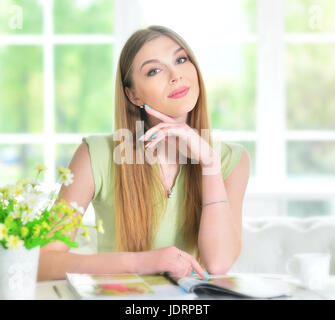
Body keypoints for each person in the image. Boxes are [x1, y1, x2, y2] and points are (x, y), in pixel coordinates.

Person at [38, 25, 250, 281]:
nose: (176, 75)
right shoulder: (96, 155)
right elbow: (43, 261)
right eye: (154, 70)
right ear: (133, 95)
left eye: (181, 59)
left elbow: (218, 264)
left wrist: (209, 164)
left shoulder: (231, 160)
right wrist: (141, 262)